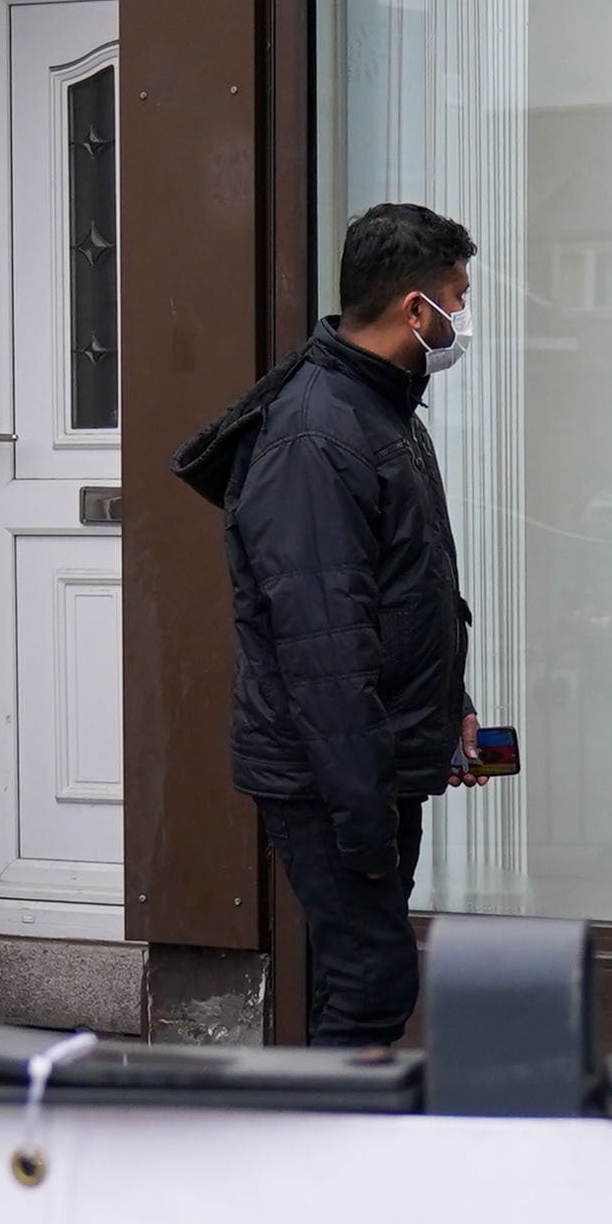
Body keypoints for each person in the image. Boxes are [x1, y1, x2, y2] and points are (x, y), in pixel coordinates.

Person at [175, 201, 475, 1051]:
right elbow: (323, 650)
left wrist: (450, 704)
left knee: (362, 974)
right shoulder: (316, 433)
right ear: (417, 309)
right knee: (372, 981)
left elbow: (411, 587)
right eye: (457, 296)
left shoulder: (381, 409)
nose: (464, 316)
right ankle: (327, 1164)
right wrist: (364, 816)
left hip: (371, 762)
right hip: (333, 774)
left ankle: (330, 1154)